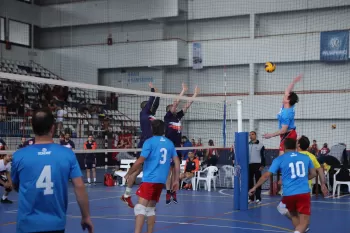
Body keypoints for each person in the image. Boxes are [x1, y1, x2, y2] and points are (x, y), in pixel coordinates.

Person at [11, 108, 93, 233]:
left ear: (32, 128)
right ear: (53, 128)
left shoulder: (19, 155)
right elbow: (79, 186)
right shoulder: (67, 154)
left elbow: (15, 185)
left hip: (27, 225)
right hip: (55, 225)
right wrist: (86, 216)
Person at [249, 138, 317, 233]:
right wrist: (301, 179)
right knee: (305, 222)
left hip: (288, 194)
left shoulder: (279, 159)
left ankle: (298, 230)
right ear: (296, 146)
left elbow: (266, 176)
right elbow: (313, 174)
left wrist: (255, 187)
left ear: (284, 147)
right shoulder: (306, 158)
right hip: (303, 192)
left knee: (293, 215)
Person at [124, 119, 180, 233]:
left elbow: (140, 161)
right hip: (161, 181)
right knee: (150, 209)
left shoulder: (149, 142)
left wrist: (129, 172)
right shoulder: (169, 143)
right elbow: (177, 161)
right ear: (164, 130)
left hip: (150, 179)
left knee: (140, 208)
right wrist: (176, 180)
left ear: (151, 129)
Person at [275, 136, 328, 233]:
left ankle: (300, 228)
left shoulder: (294, 155)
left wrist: (282, 181)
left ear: (298, 145)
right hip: (305, 190)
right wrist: (323, 184)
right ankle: (301, 227)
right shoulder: (311, 156)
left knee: (282, 208)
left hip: (292, 190)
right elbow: (319, 170)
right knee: (301, 215)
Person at [121, 82, 160, 208]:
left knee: (141, 169)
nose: (151, 108)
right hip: (145, 143)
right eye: (149, 107)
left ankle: (127, 195)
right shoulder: (144, 113)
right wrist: (153, 90)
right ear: (145, 107)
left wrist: (157, 94)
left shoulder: (149, 115)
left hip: (150, 143)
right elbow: (151, 100)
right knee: (139, 169)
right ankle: (129, 192)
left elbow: (155, 103)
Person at [164, 83, 199, 205]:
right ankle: (168, 191)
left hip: (177, 148)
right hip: (169, 148)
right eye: (172, 108)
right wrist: (183, 90)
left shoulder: (178, 117)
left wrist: (195, 94)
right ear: (169, 110)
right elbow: (176, 103)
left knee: (176, 172)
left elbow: (187, 105)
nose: (175, 109)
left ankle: (173, 192)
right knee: (169, 172)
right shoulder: (167, 117)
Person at [263, 74, 302, 155]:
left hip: (288, 135)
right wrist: (293, 82)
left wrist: (271, 135)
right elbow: (287, 91)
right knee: (284, 157)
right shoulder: (289, 105)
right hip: (288, 134)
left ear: (288, 100)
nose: (284, 96)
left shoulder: (286, 114)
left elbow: (284, 130)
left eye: (285, 96)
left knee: (282, 156)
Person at [248, 131, 265, 204]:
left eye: (252, 134)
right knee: (249, 182)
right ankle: (251, 198)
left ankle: (258, 198)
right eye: (250, 135)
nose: (251, 136)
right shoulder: (247, 145)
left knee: (258, 181)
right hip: (249, 165)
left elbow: (263, 156)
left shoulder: (261, 145)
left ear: (255, 135)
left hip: (257, 165)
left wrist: (262, 165)